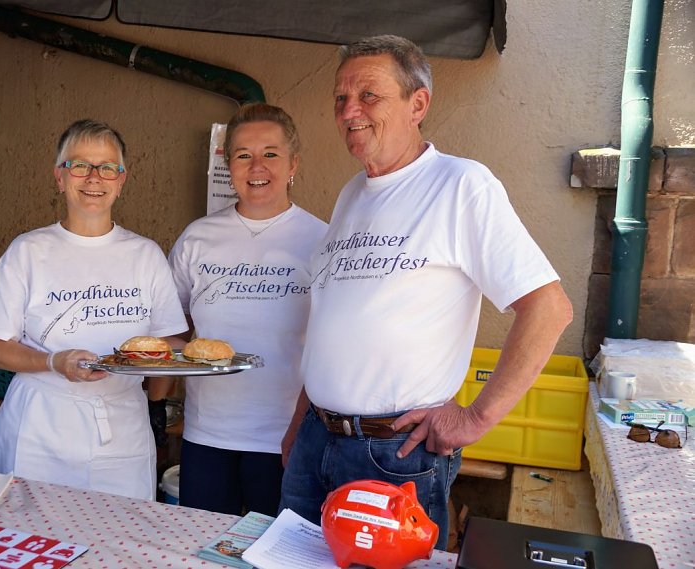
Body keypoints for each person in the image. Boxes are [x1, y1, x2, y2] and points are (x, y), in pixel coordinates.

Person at [279, 35, 573, 549]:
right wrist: (302, 422)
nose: (349, 111)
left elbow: (548, 307)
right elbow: (333, 325)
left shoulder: (460, 185)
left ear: (418, 103)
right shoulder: (352, 194)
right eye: (340, 98)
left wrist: (475, 417)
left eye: (368, 95)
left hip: (393, 454)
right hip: (316, 441)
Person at [0, 119, 187, 500]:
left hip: (123, 427)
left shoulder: (145, 254)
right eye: (80, 165)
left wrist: (173, 382)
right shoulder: (28, 251)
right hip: (40, 427)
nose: (94, 178)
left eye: (107, 168)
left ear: (122, 180)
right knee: (34, 543)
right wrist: (55, 362)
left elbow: (169, 340)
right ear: (59, 177)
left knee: (121, 539)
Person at [167, 103, 328, 516]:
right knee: (200, 547)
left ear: (294, 163)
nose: (257, 166)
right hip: (206, 434)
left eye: (271, 153)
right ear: (228, 164)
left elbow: (333, 342)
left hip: (285, 438)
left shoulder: (321, 240)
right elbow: (169, 325)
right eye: (243, 155)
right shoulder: (197, 238)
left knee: (276, 554)